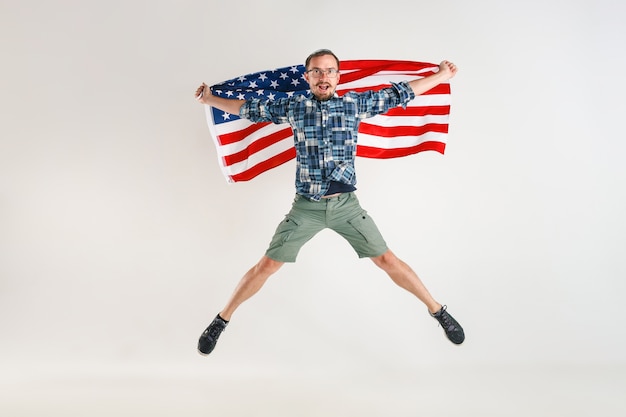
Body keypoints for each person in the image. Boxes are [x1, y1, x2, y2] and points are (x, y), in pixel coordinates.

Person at [194, 49, 464, 356]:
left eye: (330, 71)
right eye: (318, 72)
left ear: (338, 76)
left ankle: (438, 310)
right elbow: (248, 109)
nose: (324, 77)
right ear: (307, 77)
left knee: (387, 260)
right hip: (306, 207)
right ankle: (221, 320)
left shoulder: (353, 104)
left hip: (346, 207)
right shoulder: (293, 106)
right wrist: (209, 100)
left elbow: (398, 94)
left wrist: (442, 75)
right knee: (267, 264)